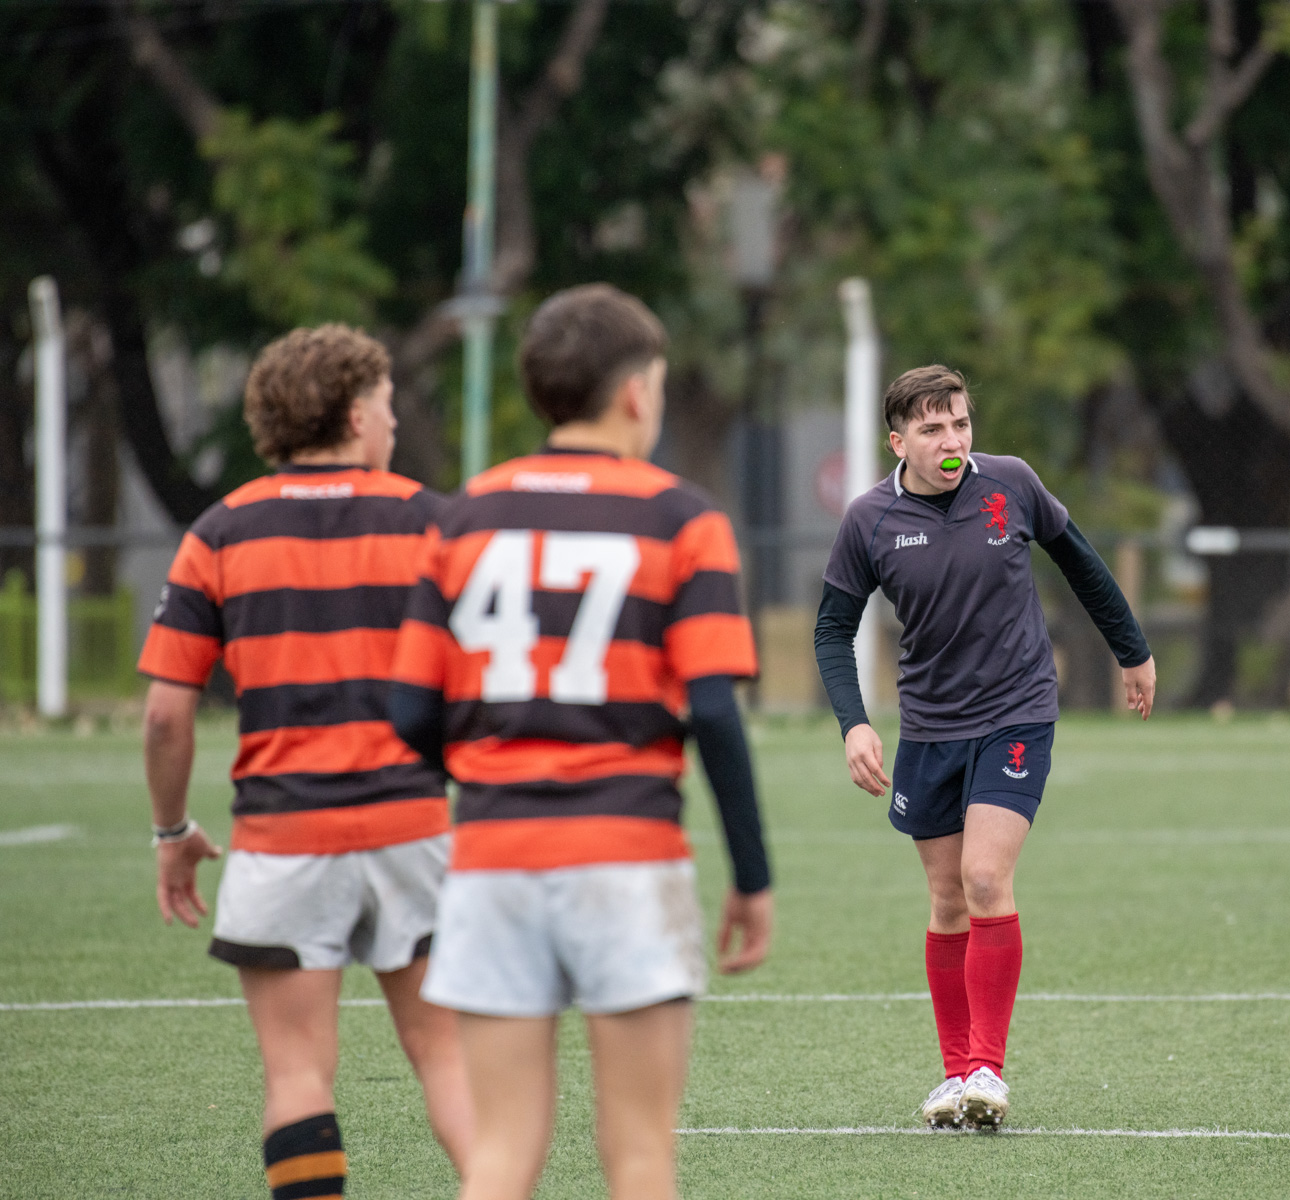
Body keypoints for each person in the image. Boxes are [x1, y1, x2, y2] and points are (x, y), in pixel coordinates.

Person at [388, 283, 774, 1200]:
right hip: (626, 856)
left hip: (491, 859)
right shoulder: (684, 518)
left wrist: (493, 771)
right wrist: (752, 879)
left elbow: (408, 715)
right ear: (638, 393)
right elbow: (715, 713)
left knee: (499, 1155)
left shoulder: (463, 517)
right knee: (638, 1155)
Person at [139, 324, 474, 1200]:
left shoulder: (217, 533)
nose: (395, 426)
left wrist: (171, 830)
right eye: (391, 408)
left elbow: (167, 716)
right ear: (358, 413)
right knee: (448, 1059)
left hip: (283, 836)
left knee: (296, 1076)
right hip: (414, 825)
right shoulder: (434, 522)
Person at [814, 365, 1155, 1130]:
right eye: (933, 429)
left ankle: (987, 1071)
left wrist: (1132, 651)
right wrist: (855, 722)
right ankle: (955, 1073)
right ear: (898, 440)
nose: (953, 442)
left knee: (984, 878)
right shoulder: (869, 519)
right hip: (930, 727)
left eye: (961, 424)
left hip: (1017, 713)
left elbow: (1083, 566)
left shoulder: (1012, 485)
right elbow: (833, 629)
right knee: (945, 901)